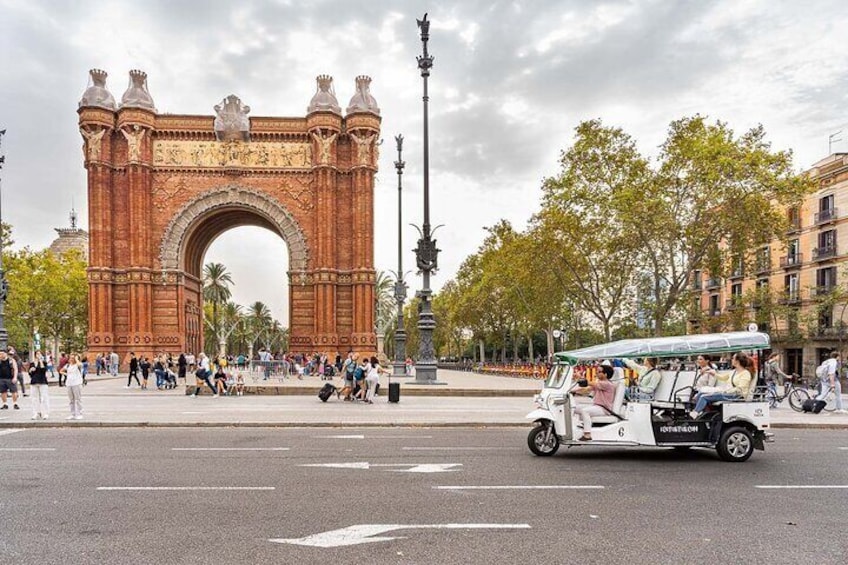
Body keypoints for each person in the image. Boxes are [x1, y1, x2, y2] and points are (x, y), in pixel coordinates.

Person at [690, 351, 754, 418]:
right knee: (701, 393)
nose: (731, 360)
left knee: (704, 397)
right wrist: (713, 373)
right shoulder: (734, 371)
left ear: (737, 361)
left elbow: (741, 389)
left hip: (735, 395)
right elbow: (723, 378)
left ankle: (696, 413)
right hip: (728, 392)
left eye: (733, 358)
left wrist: (726, 391)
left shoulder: (745, 373)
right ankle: (700, 412)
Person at [573, 364, 616, 441]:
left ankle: (587, 434)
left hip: (603, 409)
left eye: (599, 372)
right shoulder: (600, 383)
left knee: (585, 411)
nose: (596, 373)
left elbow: (590, 383)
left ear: (605, 374)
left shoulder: (607, 384)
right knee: (573, 407)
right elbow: (586, 389)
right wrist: (571, 391)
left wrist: (580, 377)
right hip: (596, 406)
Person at [28, 350, 50, 420]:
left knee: (44, 398)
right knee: (34, 398)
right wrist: (31, 370)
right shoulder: (32, 363)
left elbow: (44, 370)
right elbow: (30, 374)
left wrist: (40, 361)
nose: (38, 355)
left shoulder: (44, 363)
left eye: (40, 354)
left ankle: (45, 413)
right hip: (34, 381)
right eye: (37, 354)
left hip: (42, 381)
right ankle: (36, 413)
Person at [62, 353, 84, 420]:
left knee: (78, 399)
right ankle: (73, 414)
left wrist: (77, 359)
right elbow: (61, 370)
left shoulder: (78, 365)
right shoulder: (68, 365)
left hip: (77, 383)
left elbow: (80, 365)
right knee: (71, 400)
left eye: (73, 358)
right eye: (70, 358)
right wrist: (67, 374)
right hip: (69, 384)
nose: (71, 359)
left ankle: (80, 413)